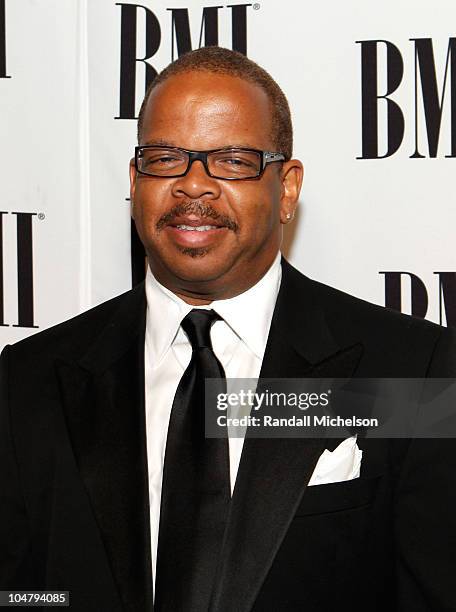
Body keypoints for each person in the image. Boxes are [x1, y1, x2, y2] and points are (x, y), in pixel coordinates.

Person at [1, 46, 455, 612]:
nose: (194, 186)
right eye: (166, 158)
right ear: (135, 180)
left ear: (286, 188)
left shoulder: (413, 368)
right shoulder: (26, 381)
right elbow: (22, 593)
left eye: (233, 160)